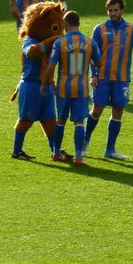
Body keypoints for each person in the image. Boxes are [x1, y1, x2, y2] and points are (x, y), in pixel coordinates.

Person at [84, 0, 133, 161]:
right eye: (110, 10)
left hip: (122, 79)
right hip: (102, 77)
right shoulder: (99, 29)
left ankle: (110, 149)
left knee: (118, 111)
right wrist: (93, 74)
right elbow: (93, 54)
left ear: (121, 10)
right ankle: (84, 143)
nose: (112, 13)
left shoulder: (131, 29)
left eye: (115, 10)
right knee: (97, 109)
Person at [41, 10, 100, 166]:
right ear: (79, 24)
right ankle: (79, 157)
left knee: (60, 121)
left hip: (63, 88)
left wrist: (44, 84)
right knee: (79, 122)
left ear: (65, 24)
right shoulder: (90, 43)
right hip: (81, 88)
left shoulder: (59, 43)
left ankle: (55, 153)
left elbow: (51, 66)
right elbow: (99, 63)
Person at [11, 1, 65, 161]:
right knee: (26, 120)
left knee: (50, 121)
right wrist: (52, 40)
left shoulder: (51, 44)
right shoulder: (30, 40)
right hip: (31, 86)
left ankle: (56, 151)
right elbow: (31, 53)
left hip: (47, 86)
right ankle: (17, 150)